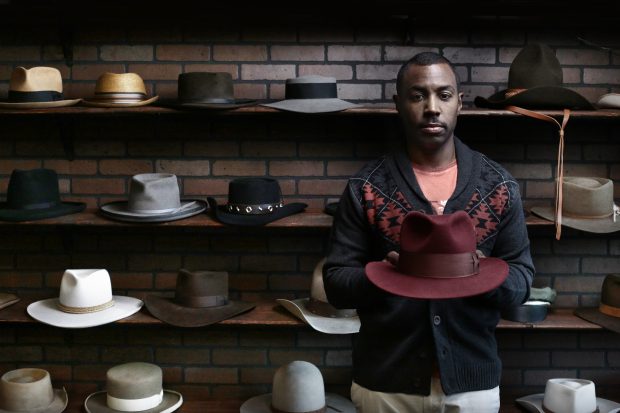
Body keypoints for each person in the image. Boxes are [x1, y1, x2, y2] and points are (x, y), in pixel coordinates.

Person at [323, 52, 535, 413]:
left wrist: (479, 275)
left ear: (459, 103)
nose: (432, 108)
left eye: (444, 95)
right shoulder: (366, 186)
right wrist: (388, 276)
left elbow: (522, 280)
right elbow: (336, 283)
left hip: (472, 388)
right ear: (398, 104)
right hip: (385, 387)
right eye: (418, 95)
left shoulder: (498, 185)